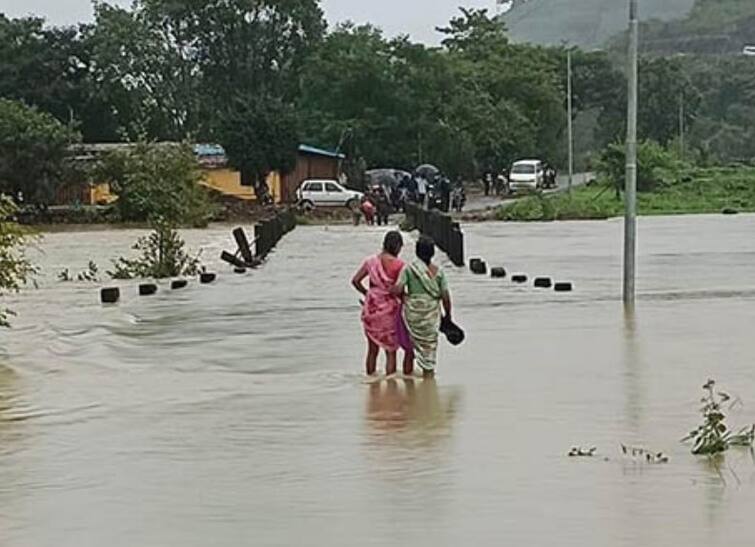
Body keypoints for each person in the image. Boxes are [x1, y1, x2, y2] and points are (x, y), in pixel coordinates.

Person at [392, 237, 452, 377]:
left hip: (412, 315)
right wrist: (448, 315)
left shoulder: (409, 269)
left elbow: (398, 288)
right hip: (431, 316)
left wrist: (390, 290)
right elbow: (446, 296)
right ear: (432, 253)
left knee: (409, 350)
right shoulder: (439, 272)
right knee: (429, 350)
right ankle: (429, 382)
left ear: (417, 252)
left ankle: (408, 383)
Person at [352, 232, 406, 376]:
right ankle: (391, 383)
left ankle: (371, 384)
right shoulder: (399, 265)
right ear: (398, 246)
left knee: (372, 349)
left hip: (372, 308)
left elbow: (355, 281)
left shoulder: (370, 262)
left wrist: (367, 294)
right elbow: (399, 290)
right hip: (390, 310)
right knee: (391, 351)